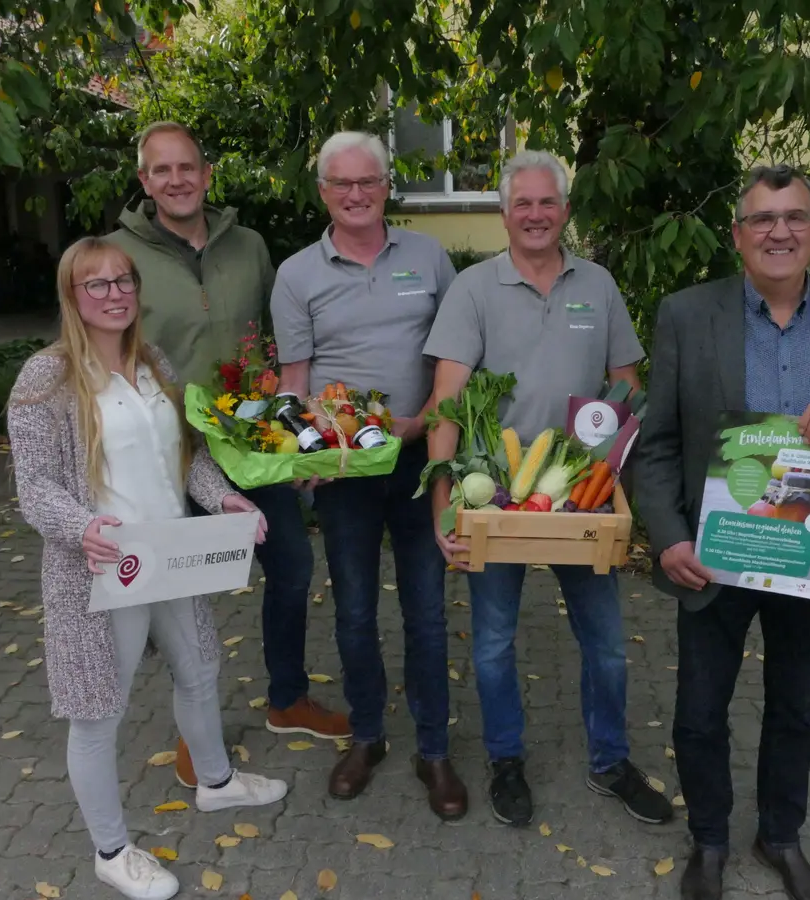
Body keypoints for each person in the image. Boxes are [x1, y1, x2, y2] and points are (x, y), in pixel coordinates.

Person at [630, 165, 810, 900]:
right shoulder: (689, 315)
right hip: (715, 553)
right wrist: (666, 537)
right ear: (738, 236)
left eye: (795, 217)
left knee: (797, 710)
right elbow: (656, 443)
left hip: (808, 553)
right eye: (762, 219)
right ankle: (710, 840)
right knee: (699, 712)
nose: (779, 231)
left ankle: (780, 835)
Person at [7, 237, 290, 900]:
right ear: (72, 297)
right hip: (100, 570)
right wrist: (84, 529)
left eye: (122, 280)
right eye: (95, 284)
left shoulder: (152, 362)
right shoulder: (45, 379)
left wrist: (223, 496)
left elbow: (183, 457)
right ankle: (111, 850)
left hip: (170, 555)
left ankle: (216, 783)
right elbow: (37, 485)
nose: (113, 294)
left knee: (200, 670)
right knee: (98, 710)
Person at [423, 151, 672, 828]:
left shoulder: (600, 284)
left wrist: (615, 479)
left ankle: (610, 762)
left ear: (565, 210)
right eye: (522, 203)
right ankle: (506, 760)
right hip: (495, 497)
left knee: (609, 645)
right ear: (504, 212)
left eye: (547, 202)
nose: (535, 214)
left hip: (579, 496)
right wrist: (444, 508)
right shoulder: (473, 290)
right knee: (495, 642)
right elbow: (446, 404)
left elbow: (627, 386)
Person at [104, 121, 351, 790]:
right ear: (144, 180)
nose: (177, 179)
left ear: (208, 174)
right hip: (164, 454)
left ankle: (287, 699)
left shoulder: (249, 246)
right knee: (182, 594)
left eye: (187, 167)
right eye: (162, 170)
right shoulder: (116, 256)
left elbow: (277, 338)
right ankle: (196, 731)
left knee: (294, 565)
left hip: (248, 445)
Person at [269, 131, 466, 819]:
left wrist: (429, 429)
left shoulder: (429, 257)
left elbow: (454, 358)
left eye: (369, 181)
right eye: (342, 184)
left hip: (417, 459)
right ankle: (369, 735)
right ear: (323, 192)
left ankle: (434, 750)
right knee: (353, 609)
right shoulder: (297, 274)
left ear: (387, 187)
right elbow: (291, 386)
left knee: (428, 612)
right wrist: (306, 457)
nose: (357, 195)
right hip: (345, 468)